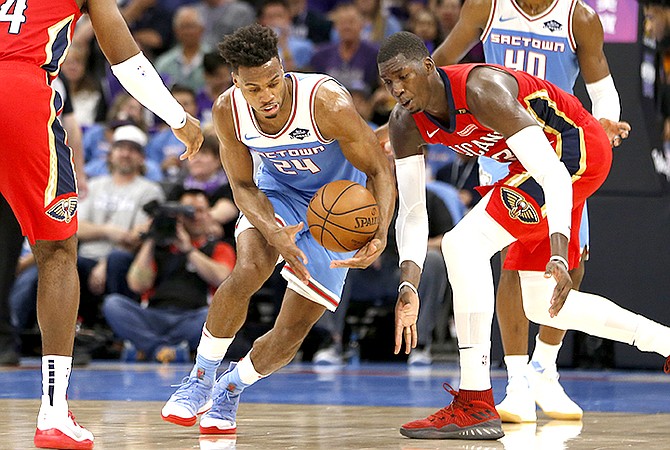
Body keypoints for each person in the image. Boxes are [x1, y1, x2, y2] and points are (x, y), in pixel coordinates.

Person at [375, 31, 670, 441]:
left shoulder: (480, 90)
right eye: (388, 83)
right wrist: (409, 280)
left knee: (464, 244)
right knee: (537, 303)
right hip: (533, 168)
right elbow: (411, 212)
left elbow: (553, 173)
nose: (398, 90)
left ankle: (474, 400)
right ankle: (665, 341)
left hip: (576, 152)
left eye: (403, 77)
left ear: (428, 66)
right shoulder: (404, 123)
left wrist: (558, 247)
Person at [161, 23, 395, 434]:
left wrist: (380, 231)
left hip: (337, 212)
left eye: (273, 82)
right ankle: (199, 378)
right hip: (276, 193)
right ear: (236, 82)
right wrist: (272, 232)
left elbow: (378, 167)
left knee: (290, 333)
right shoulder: (227, 110)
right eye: (254, 89)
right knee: (250, 269)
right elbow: (243, 185)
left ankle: (231, 386)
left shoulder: (326, 102)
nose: (267, 96)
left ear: (283, 68)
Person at [0, 1, 203, 448]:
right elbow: (126, 60)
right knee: (55, 252)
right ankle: (54, 411)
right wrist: (177, 117)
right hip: (17, 93)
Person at [429, 0, 626, 422]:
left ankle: (545, 368)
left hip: (560, 146)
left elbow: (602, 87)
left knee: (572, 260)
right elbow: (439, 65)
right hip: (501, 146)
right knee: (512, 262)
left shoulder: (579, 18)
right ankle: (516, 378)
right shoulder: (486, 6)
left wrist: (607, 120)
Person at [102, 189, 236, 363]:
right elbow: (137, 284)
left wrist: (188, 249)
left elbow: (222, 278)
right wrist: (151, 238)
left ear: (209, 215)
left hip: (192, 317)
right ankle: (168, 350)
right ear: (178, 216)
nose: (195, 216)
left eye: (200, 210)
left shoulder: (219, 247)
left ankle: (147, 347)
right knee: (113, 304)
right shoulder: (158, 248)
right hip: (154, 316)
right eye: (188, 211)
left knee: (216, 316)